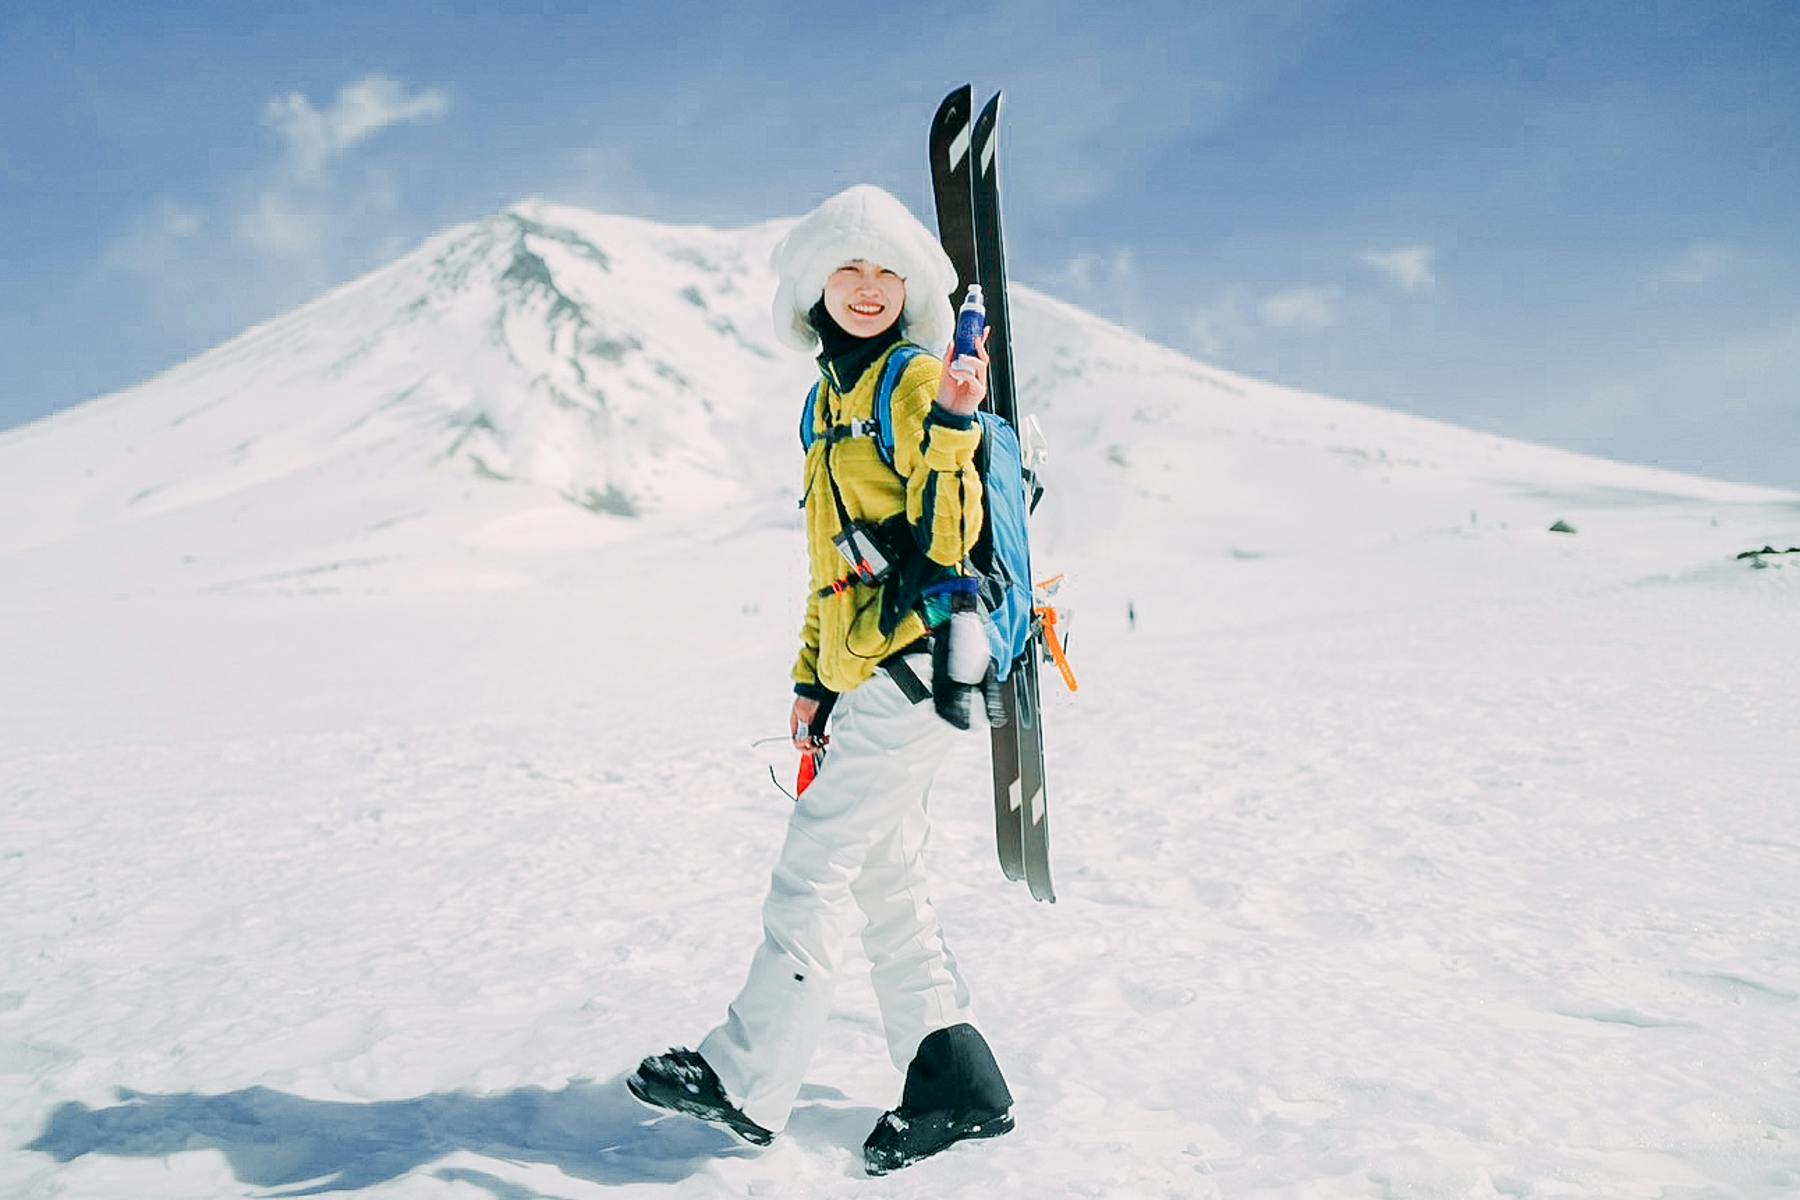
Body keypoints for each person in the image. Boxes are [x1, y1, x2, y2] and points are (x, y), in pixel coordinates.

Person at [628, 185, 1014, 1175]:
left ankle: (744, 1081)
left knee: (818, 862)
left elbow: (943, 532)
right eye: (851, 268)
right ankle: (955, 1080)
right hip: (868, 662)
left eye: (890, 271)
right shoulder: (827, 399)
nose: (870, 287)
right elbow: (831, 560)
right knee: (885, 878)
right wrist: (812, 682)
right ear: (816, 283)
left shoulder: (913, 379)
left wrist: (960, 423)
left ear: (914, 287)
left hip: (926, 655)